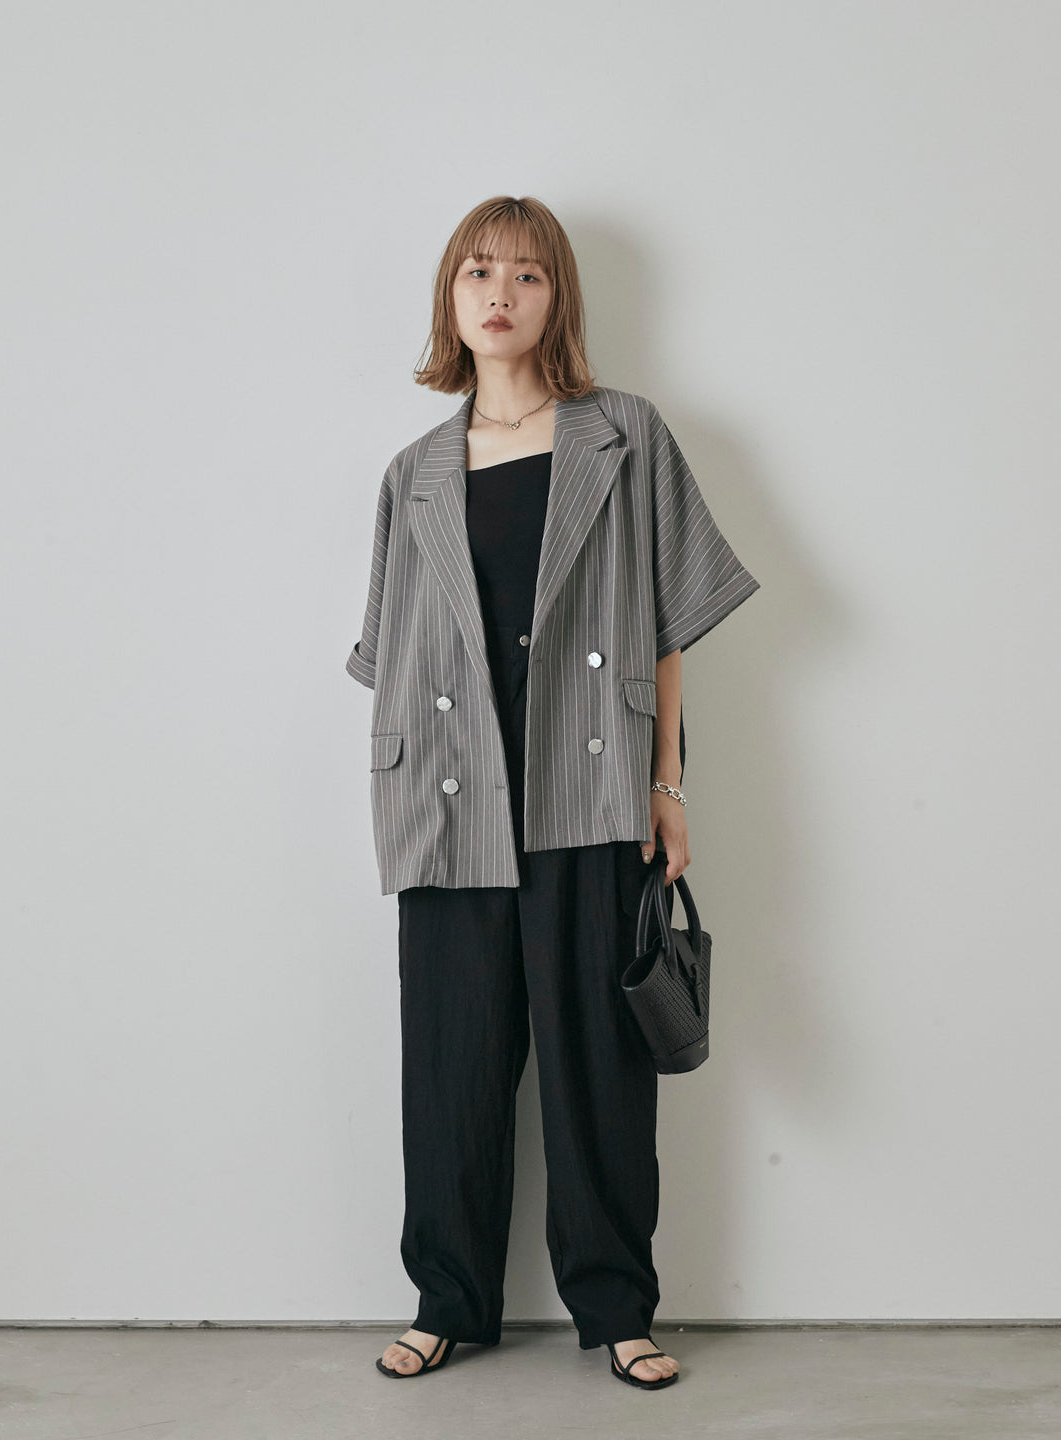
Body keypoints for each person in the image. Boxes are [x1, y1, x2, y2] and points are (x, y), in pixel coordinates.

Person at [348, 195, 760, 1388]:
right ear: (450, 297)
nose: (500, 293)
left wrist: (668, 784)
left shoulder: (622, 436)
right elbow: (391, 653)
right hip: (450, 799)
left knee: (596, 1070)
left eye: (526, 275)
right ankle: (448, 1300)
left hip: (590, 790)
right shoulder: (414, 475)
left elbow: (669, 626)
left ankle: (619, 1309)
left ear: (556, 298)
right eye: (478, 271)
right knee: (452, 1067)